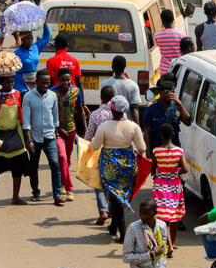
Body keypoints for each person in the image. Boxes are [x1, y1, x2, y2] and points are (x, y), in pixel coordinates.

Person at [89, 96, 147, 243]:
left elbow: (95, 146)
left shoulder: (104, 126)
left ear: (112, 110)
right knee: (120, 198)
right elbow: (142, 148)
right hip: (128, 166)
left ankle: (123, 234)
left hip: (109, 166)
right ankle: (113, 227)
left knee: (115, 200)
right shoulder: (133, 127)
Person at [0, 58, 30, 205]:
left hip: (15, 134)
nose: (10, 85)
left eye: (12, 82)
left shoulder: (17, 94)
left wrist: (26, 136)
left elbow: (21, 115)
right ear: (0, 83)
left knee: (17, 166)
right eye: (7, 83)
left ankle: (15, 196)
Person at [23, 70, 64, 207]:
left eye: (48, 83)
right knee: (33, 166)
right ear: (36, 83)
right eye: (43, 83)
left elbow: (55, 117)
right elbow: (26, 122)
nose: (45, 85)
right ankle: (35, 192)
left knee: (55, 163)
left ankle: (57, 194)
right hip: (34, 137)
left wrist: (57, 131)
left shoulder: (52, 96)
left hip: (50, 136)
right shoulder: (28, 97)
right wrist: (28, 141)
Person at [151, 124, 186, 250]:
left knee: (162, 216)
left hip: (160, 185)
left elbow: (153, 170)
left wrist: (159, 173)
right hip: (175, 185)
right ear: (173, 135)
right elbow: (185, 169)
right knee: (174, 215)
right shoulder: (179, 151)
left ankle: (167, 244)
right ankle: (173, 242)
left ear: (160, 136)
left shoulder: (156, 151)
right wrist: (175, 172)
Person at [51, 68, 82, 201]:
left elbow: (80, 110)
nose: (66, 82)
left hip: (71, 129)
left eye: (68, 80)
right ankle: (69, 189)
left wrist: (85, 132)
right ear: (58, 80)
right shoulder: (52, 92)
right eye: (63, 80)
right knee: (62, 157)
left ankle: (63, 183)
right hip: (57, 131)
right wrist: (57, 128)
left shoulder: (76, 91)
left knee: (68, 159)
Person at [141, 81, 191, 157]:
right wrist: (148, 153)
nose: (170, 94)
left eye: (172, 92)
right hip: (157, 149)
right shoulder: (151, 109)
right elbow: (147, 132)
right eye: (167, 92)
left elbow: (188, 122)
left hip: (174, 151)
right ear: (161, 93)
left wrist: (179, 104)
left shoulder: (177, 107)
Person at [102, 55, 144, 120]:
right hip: (127, 126)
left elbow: (104, 106)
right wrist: (137, 128)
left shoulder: (105, 84)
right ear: (125, 67)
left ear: (112, 67)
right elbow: (134, 108)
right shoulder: (133, 85)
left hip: (109, 124)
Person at [153, 9, 184, 75]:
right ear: (173, 19)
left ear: (162, 21)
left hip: (164, 71)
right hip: (177, 70)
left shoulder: (157, 35)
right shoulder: (181, 35)